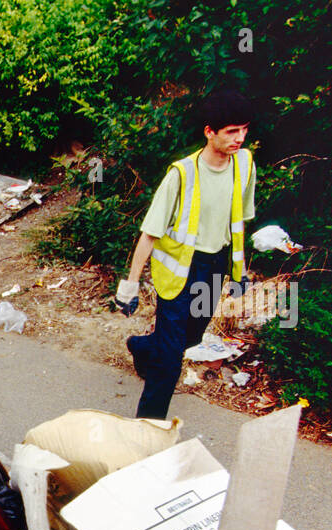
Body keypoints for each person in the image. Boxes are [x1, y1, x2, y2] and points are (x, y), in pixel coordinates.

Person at [115, 90, 257, 420]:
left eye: (244, 130)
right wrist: (130, 286)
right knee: (169, 361)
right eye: (232, 131)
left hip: (215, 265)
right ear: (210, 132)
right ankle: (148, 430)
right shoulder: (182, 174)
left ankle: (141, 345)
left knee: (189, 338)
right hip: (179, 271)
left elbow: (237, 223)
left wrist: (240, 271)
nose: (240, 138)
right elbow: (150, 232)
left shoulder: (244, 165)